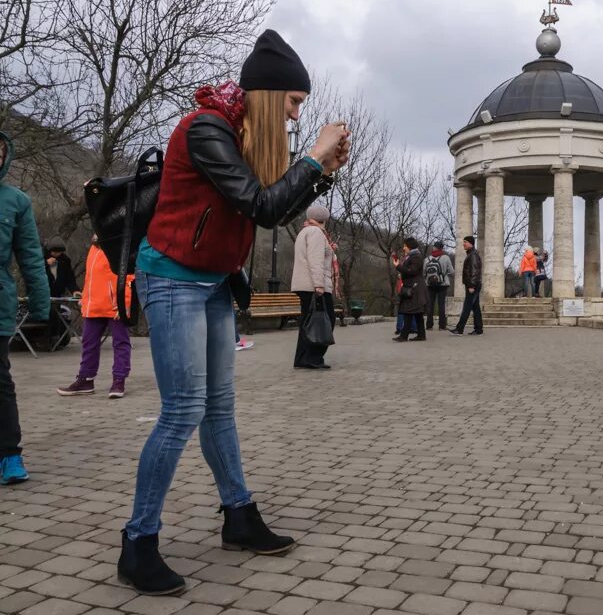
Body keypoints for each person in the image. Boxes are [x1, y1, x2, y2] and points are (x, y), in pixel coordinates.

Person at [117, 29, 351, 596]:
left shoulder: (243, 139)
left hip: (215, 283)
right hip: (171, 278)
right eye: (294, 103)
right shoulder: (206, 130)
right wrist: (312, 158)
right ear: (270, 95)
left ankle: (239, 518)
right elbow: (262, 205)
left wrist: (321, 169)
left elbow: (272, 207)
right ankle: (138, 543)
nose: (297, 115)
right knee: (182, 411)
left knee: (218, 409)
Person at [0, 131, 49, 486]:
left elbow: (31, 257)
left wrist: (40, 303)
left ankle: (10, 455)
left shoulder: (16, 201)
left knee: (0, 382)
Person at [56, 236, 133, 398]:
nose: (95, 235)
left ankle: (119, 380)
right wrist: (85, 299)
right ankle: (85, 379)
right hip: (93, 306)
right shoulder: (93, 249)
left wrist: (125, 302)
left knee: (120, 343)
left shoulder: (121, 247)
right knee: (88, 343)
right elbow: (90, 278)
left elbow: (129, 276)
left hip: (115, 305)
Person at [291, 205, 335, 369]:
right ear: (324, 219)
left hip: (303, 285)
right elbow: (316, 260)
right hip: (313, 285)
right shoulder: (317, 233)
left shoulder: (305, 231)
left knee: (307, 322)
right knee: (326, 321)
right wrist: (319, 285)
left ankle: (302, 358)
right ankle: (313, 357)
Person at [393, 237, 428, 342]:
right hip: (413, 286)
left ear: (409, 246)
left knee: (408, 311)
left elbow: (412, 271)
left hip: (414, 288)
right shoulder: (412, 256)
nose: (404, 248)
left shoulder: (416, 256)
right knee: (417, 313)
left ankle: (404, 336)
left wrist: (398, 266)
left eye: (405, 246)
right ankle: (421, 335)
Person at [450, 236, 483, 336]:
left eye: (465, 242)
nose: (463, 244)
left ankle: (459, 329)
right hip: (474, 284)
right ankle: (478, 329)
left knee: (467, 307)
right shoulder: (472, 254)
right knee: (475, 307)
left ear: (470, 243)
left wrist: (471, 285)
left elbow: (474, 271)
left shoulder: (473, 255)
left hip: (473, 285)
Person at [423, 240, 453, 330]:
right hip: (442, 284)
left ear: (434, 248)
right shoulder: (446, 258)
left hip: (430, 284)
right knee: (441, 305)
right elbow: (451, 271)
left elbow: (424, 273)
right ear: (442, 248)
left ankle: (429, 325)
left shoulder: (427, 259)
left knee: (430, 305)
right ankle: (442, 326)